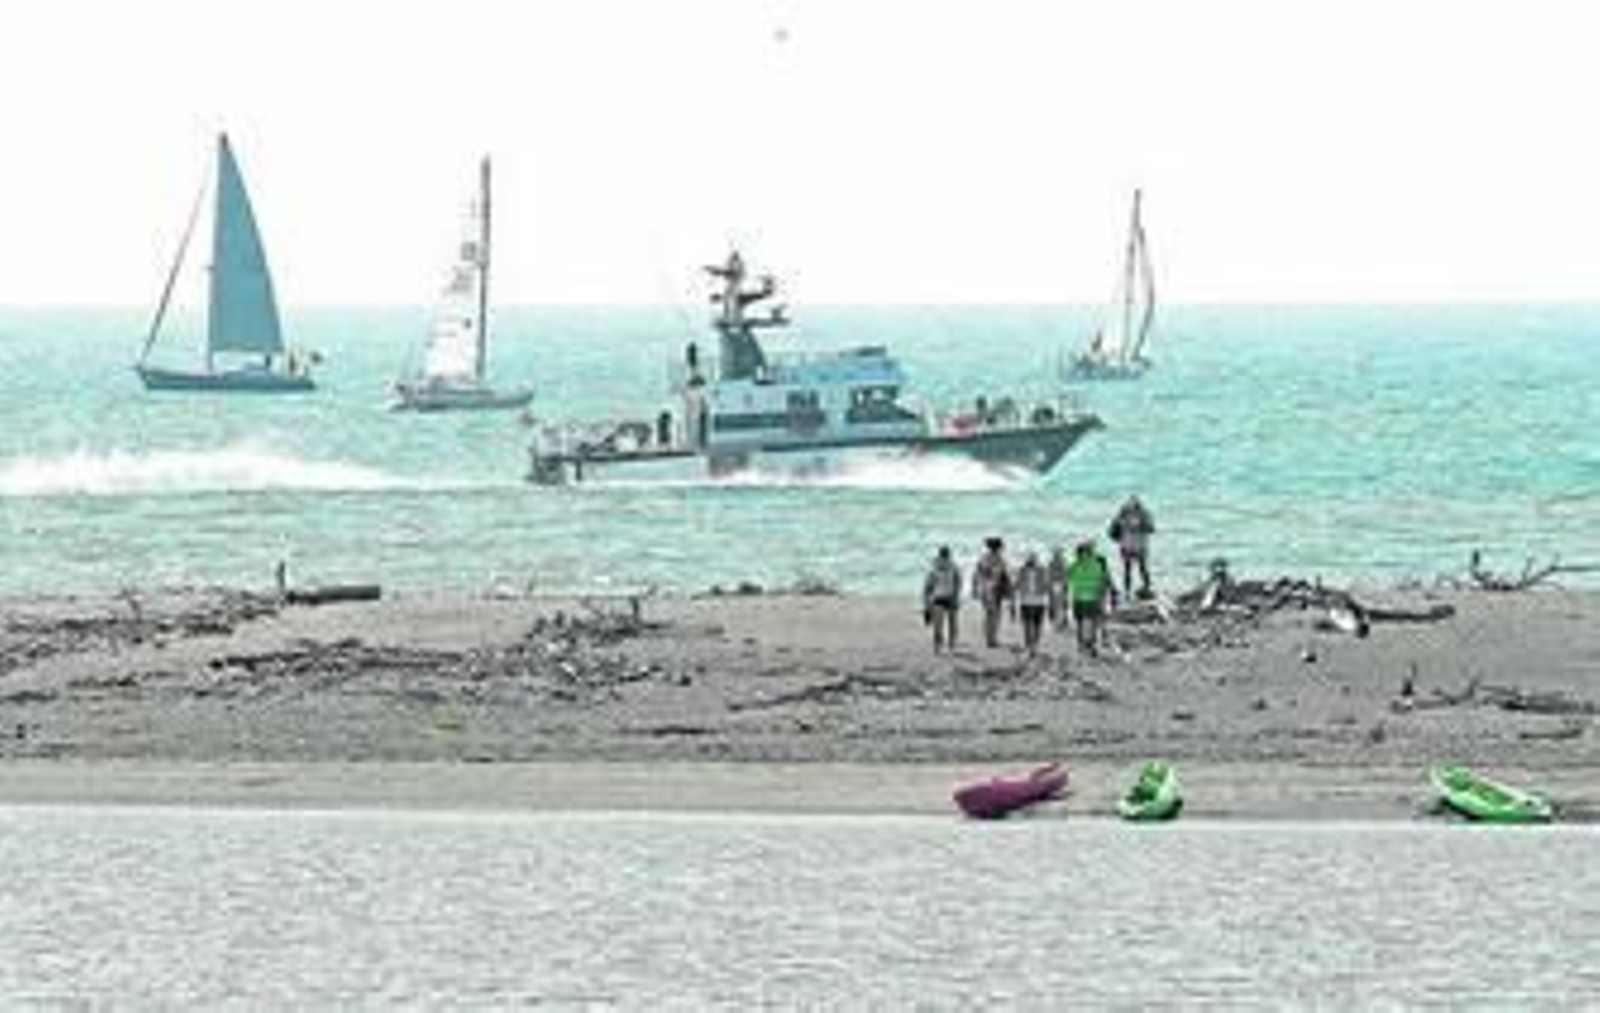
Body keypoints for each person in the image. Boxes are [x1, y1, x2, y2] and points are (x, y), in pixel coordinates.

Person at [1065, 539, 1114, 657]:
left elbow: (1066, 580)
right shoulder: (1097, 564)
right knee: (1089, 623)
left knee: (1083, 623)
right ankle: (1089, 645)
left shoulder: (1075, 565)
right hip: (1089, 599)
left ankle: (1084, 645)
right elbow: (1105, 581)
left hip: (1082, 599)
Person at [1108, 495, 1156, 600]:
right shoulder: (1143, 514)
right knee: (1139, 569)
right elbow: (1151, 529)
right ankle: (1138, 589)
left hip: (1129, 545)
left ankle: (1130, 591)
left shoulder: (1123, 515)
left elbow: (1112, 532)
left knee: (1132, 569)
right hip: (1136, 545)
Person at [971, 536, 1013, 649]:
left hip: (986, 589)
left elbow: (976, 575)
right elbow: (1005, 576)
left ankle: (989, 637)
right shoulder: (1000, 559)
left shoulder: (984, 558)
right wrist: (1009, 591)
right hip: (994, 589)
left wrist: (974, 589)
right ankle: (991, 638)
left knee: (989, 614)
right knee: (994, 614)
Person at [921, 545, 962, 653]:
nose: (945, 558)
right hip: (947, 598)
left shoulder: (935, 569)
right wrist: (956, 595)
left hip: (939, 598)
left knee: (939, 625)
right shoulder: (951, 567)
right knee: (950, 624)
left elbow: (927, 588)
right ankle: (949, 645)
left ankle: (940, 646)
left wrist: (926, 603)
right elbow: (958, 583)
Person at [1014, 551, 1051, 657]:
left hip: (1036, 601)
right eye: (1031, 560)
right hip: (1030, 601)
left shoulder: (1040, 570)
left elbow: (1046, 585)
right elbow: (1017, 584)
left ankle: (1032, 645)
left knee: (1033, 625)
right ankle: (1031, 645)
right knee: (1031, 624)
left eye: (1032, 560)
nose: (1031, 562)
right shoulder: (1024, 570)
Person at [1046, 546, 1070, 631]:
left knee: (1057, 605)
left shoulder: (1052, 563)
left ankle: (1059, 622)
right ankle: (1061, 623)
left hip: (1056, 586)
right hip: (1059, 586)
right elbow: (1066, 576)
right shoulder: (1062, 563)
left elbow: (1049, 576)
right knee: (1061, 605)